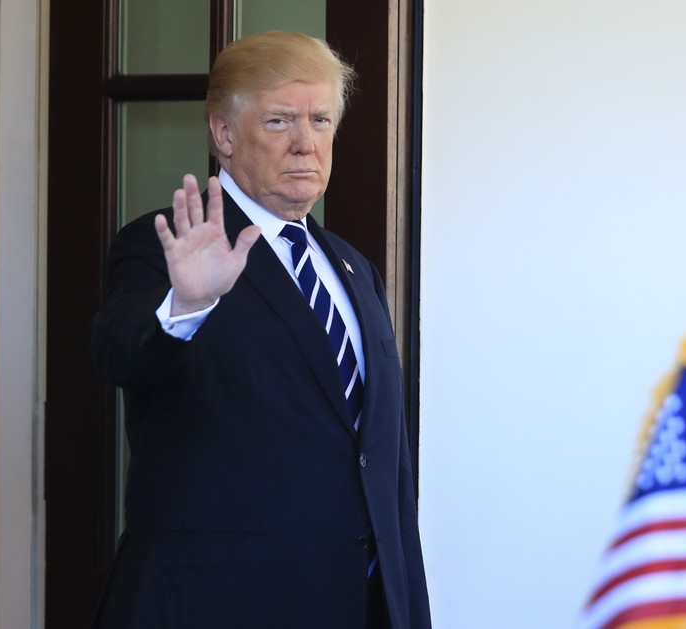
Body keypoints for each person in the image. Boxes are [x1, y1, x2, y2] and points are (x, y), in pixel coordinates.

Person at [87, 31, 431, 629]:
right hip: (219, 605)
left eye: (320, 119)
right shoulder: (167, 246)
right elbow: (119, 352)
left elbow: (383, 463)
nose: (306, 143)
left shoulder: (355, 268)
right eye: (279, 121)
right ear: (223, 135)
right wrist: (185, 305)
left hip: (361, 604)